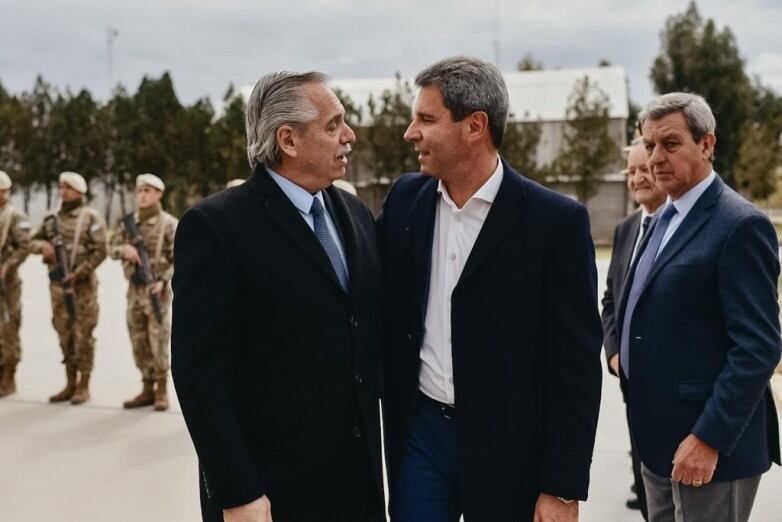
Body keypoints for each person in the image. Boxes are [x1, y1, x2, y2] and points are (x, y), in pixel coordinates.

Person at [379, 56, 603, 521]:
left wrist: (562, 486)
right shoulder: (405, 201)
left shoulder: (555, 223)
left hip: (511, 451)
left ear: (475, 125)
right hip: (421, 436)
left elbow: (576, 365)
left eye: (426, 119)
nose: (410, 133)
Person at [172, 71, 385, 522]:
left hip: (355, 485)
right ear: (288, 140)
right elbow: (199, 375)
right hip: (269, 493)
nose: (350, 136)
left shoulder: (355, 214)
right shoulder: (217, 228)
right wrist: (237, 492)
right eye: (333, 125)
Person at [619, 92, 781, 522]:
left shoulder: (740, 225)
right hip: (657, 445)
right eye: (649, 145)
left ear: (707, 145)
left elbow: (759, 347)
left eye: (670, 144)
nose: (656, 158)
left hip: (708, 452)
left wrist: (708, 438)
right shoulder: (660, 220)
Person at [601, 138, 667, 518]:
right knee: (646, 482)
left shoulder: (677, 229)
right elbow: (610, 299)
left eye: (645, 169)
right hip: (632, 382)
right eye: (632, 171)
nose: (639, 178)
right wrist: (614, 352)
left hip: (672, 387)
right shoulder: (627, 229)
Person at [30, 172, 107, 405]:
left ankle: (84, 384)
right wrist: (43, 246)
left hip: (82, 289)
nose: (63, 191)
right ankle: (69, 381)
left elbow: (101, 249)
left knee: (84, 335)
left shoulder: (90, 217)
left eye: (68, 187)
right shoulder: (51, 218)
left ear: (79, 191)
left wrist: (80, 271)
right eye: (61, 187)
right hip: (58, 288)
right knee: (64, 333)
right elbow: (30, 241)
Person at [110, 173, 177, 411]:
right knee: (138, 339)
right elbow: (112, 248)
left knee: (157, 339)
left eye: (147, 190)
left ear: (159, 194)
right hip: (134, 290)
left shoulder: (169, 224)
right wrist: (123, 250)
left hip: (156, 291)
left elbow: (178, 258)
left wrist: (163, 280)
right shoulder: (129, 222)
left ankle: (161, 389)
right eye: (139, 191)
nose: (142, 195)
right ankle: (146, 386)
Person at [0, 170, 31, 397]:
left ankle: (8, 377)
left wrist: (7, 266)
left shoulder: (15, 217)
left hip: (7, 283)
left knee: (9, 328)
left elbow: (25, 246)